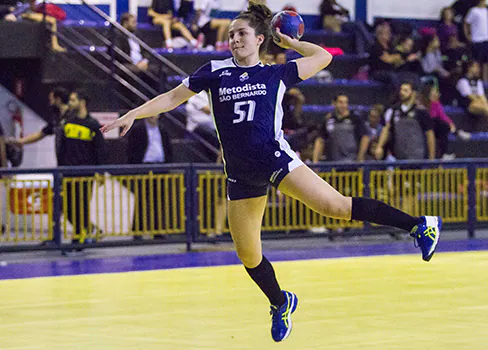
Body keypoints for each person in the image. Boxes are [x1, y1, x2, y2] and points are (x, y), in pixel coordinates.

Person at [101, 3, 442, 343]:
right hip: (240, 172)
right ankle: (281, 302)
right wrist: (135, 113)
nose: (234, 40)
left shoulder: (275, 73)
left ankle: (419, 226)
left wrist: (290, 43)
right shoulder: (215, 71)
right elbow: (173, 97)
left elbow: (324, 57)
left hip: (274, 160)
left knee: (335, 207)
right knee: (248, 253)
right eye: (232, 35)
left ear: (260, 38)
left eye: (242, 34)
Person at [59, 90, 106, 252]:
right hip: (68, 173)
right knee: (68, 207)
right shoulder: (67, 122)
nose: (70, 103)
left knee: (82, 206)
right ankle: (85, 231)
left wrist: (100, 173)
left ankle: (79, 237)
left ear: (82, 102)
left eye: (73, 100)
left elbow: (100, 150)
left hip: (86, 175)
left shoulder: (93, 125)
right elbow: (62, 149)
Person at [127, 115, 173, 240]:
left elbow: (168, 149)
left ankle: (158, 230)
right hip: (144, 167)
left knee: (159, 201)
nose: (154, 116)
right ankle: (138, 230)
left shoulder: (163, 129)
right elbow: (131, 150)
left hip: (160, 167)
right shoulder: (138, 129)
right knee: (141, 200)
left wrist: (168, 166)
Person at [375, 82, 436, 161]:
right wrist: (379, 146)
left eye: (405, 90)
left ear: (413, 93)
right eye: (401, 90)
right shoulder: (394, 110)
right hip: (399, 156)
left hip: (417, 156)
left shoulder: (421, 112)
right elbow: (386, 128)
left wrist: (431, 156)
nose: (402, 92)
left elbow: (430, 134)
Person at [312, 94, 369, 162]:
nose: (344, 105)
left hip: (351, 162)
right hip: (331, 163)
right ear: (334, 103)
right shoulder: (328, 120)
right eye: (341, 102)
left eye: (345, 103)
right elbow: (320, 140)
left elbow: (365, 138)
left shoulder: (355, 119)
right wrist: (315, 161)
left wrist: (360, 158)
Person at [463, 0, 488, 82]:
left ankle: (485, 80)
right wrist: (467, 35)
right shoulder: (473, 10)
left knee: (485, 62)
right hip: (476, 39)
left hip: (486, 38)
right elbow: (466, 23)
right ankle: (476, 80)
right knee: (476, 61)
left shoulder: (486, 10)